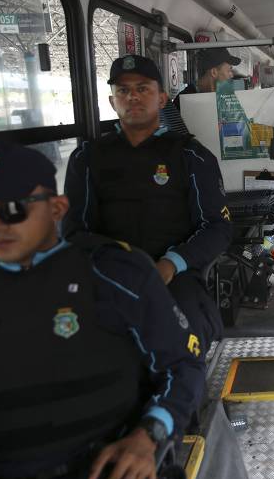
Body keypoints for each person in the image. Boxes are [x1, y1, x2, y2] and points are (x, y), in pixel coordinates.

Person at [0, 145, 204, 479]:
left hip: (112, 478)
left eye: (13, 209)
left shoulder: (116, 275)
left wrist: (149, 435)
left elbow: (182, 366)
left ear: (57, 208)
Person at [64, 54, 231, 358]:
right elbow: (75, 231)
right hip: (108, 273)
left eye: (143, 88)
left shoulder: (191, 156)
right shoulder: (87, 158)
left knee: (182, 339)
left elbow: (217, 227)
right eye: (123, 91)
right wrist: (120, 264)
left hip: (174, 275)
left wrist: (170, 264)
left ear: (162, 98)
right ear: (113, 102)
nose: (133, 97)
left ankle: (184, 402)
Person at [173, 47, 241, 109]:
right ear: (214, 72)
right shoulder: (184, 101)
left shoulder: (219, 97)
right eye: (229, 70)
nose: (231, 75)